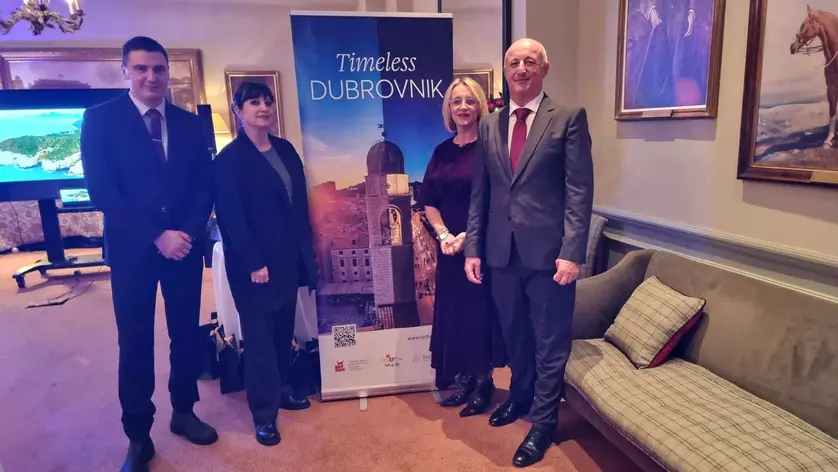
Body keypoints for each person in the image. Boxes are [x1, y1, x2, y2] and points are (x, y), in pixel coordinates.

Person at [80, 36, 217, 472]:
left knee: (186, 334)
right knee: (136, 341)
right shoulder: (100, 120)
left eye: (158, 68)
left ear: (168, 72)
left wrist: (186, 233)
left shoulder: (190, 123)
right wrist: (158, 235)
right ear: (126, 70)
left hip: (184, 250)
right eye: (141, 68)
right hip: (133, 250)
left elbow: (204, 186)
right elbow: (103, 191)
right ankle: (139, 436)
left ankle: (184, 411)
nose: (151, 77)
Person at [464, 38, 594, 468]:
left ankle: (543, 422)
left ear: (544, 68)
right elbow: (481, 193)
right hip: (501, 252)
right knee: (514, 333)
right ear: (505, 71)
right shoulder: (489, 124)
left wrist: (572, 252)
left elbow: (579, 191)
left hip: (550, 256)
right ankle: (520, 396)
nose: (521, 68)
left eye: (530, 61)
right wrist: (473, 248)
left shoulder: (568, 118)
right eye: (513, 62)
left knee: (549, 341)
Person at [212, 81, 318, 447]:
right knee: (258, 339)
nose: (263, 107)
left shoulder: (285, 149)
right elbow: (231, 217)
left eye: (268, 101)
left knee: (283, 331)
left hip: (287, 259)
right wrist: (253, 262)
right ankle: (264, 414)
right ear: (238, 111)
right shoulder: (229, 160)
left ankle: (284, 389)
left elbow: (298, 205)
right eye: (254, 102)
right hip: (254, 265)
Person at [419, 77, 507, 417]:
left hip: (481, 247)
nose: (463, 107)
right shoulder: (441, 152)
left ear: (480, 106)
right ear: (449, 109)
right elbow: (429, 200)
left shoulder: (491, 148)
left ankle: (484, 383)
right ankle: (464, 380)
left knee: (479, 315)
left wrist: (468, 236)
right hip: (449, 251)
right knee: (455, 316)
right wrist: (443, 235)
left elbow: (499, 201)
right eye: (456, 101)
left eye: (470, 100)